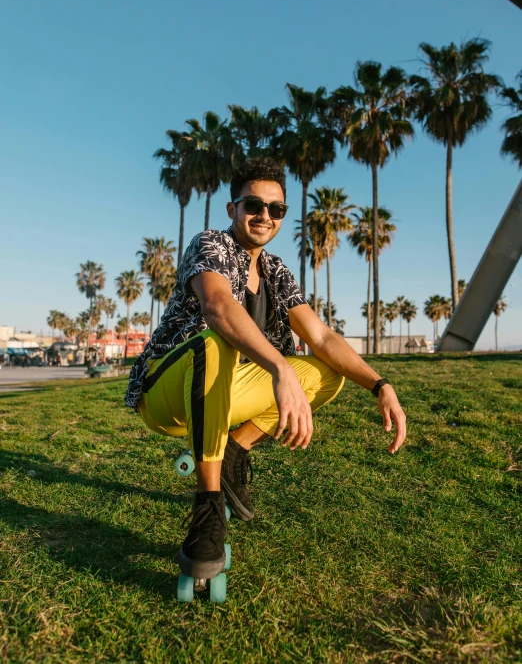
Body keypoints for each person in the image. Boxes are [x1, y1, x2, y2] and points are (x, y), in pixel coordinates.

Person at [125, 158, 406, 584]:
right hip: (168, 391)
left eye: (276, 210)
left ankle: (235, 448)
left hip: (226, 392)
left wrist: (380, 385)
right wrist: (279, 368)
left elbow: (323, 337)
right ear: (232, 209)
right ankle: (207, 511)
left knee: (327, 373)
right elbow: (217, 307)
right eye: (254, 205)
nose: (265, 216)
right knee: (216, 341)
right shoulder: (211, 245)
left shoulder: (276, 272)